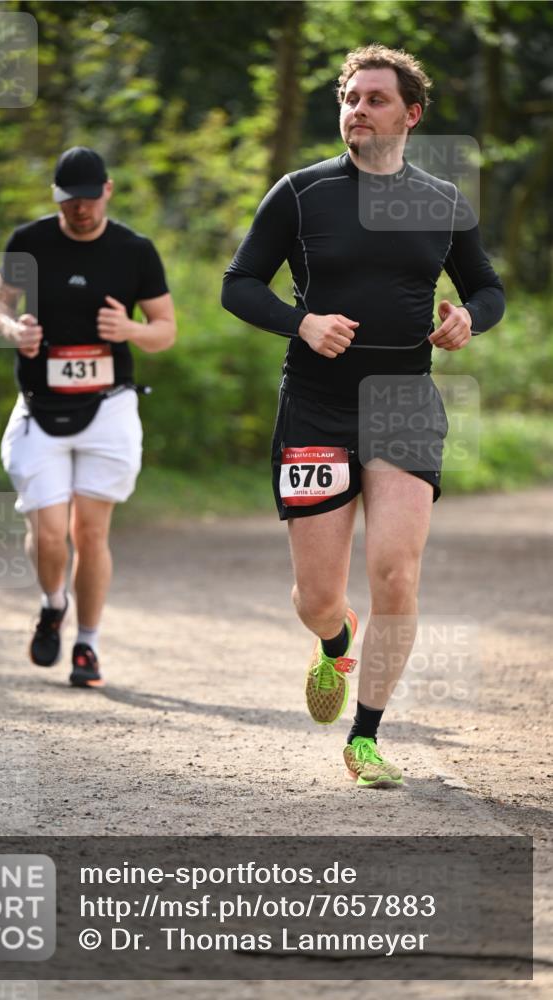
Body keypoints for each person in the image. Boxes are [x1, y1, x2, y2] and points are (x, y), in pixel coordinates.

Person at [222, 46, 504, 787]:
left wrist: (467, 319)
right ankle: (333, 641)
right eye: (349, 98)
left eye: (374, 99)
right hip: (316, 402)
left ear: (409, 114)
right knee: (316, 597)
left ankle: (366, 738)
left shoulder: (441, 201)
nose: (356, 109)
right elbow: (239, 284)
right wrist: (302, 323)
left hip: (405, 399)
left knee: (395, 574)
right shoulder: (301, 193)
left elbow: (488, 289)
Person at [0, 146, 176, 687]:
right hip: (39, 408)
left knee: (90, 535)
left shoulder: (134, 250)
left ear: (108, 191)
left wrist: (131, 331)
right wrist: (11, 330)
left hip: (108, 407)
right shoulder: (30, 242)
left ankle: (87, 646)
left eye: (90, 200)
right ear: (57, 199)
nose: (81, 211)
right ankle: (53, 604)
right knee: (49, 535)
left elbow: (166, 329)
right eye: (71, 202)